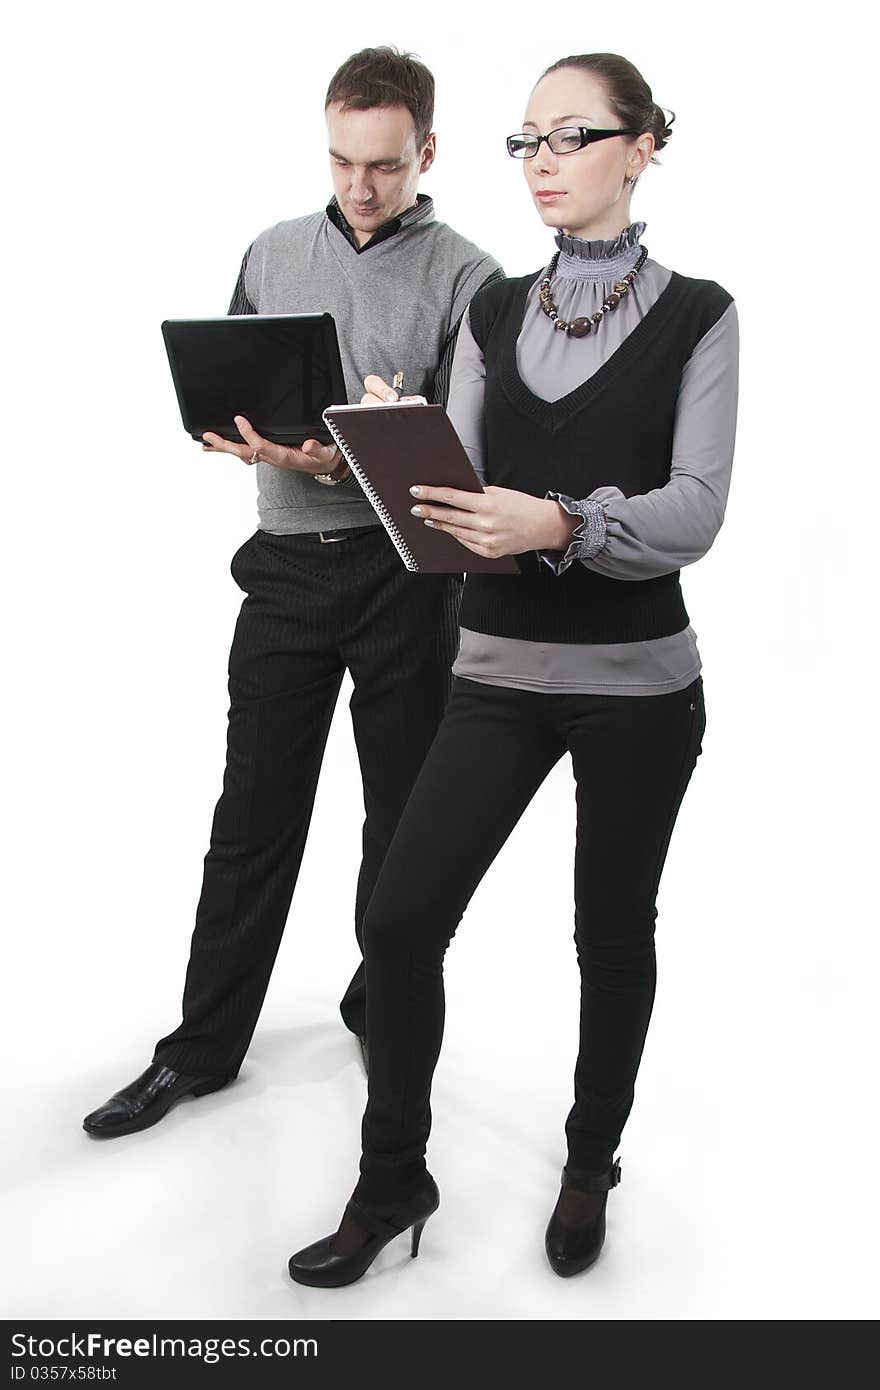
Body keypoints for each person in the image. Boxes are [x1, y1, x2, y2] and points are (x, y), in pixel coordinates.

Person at [287, 51, 739, 1285]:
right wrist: (387, 445)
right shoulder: (489, 312)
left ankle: (591, 1156)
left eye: (571, 136)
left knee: (610, 928)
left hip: (641, 683)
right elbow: (449, 515)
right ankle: (394, 1179)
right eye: (526, 141)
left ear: (641, 146)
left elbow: (695, 509)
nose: (541, 161)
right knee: (398, 918)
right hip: (493, 668)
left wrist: (560, 522)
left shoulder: (702, 313)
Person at [82, 46, 502, 1139]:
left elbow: (466, 458)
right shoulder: (273, 250)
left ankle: (385, 1012)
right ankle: (202, 1050)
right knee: (251, 819)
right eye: (340, 160)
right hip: (283, 572)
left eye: (384, 165)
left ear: (427, 153)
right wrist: (237, 435)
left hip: (406, 578)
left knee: (400, 822)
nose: (359, 186)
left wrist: (352, 455)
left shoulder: (470, 277)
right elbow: (238, 373)